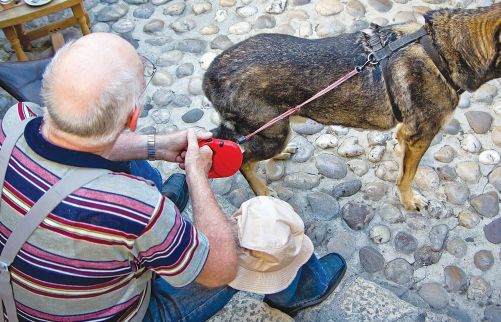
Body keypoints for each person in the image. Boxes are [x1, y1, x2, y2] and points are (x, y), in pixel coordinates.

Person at [0, 33, 345, 322]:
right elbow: (219, 270)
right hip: (132, 313)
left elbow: (81, 140)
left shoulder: (16, 119)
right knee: (259, 231)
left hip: (20, 303)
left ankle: (161, 224)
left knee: (140, 171)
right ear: (134, 117)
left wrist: (157, 146)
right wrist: (197, 176)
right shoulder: (134, 208)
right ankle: (299, 290)